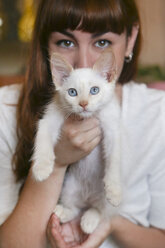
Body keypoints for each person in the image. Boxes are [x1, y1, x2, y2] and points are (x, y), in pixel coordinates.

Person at [0, 0, 165, 247]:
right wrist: (57, 163)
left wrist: (112, 224)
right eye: (65, 42)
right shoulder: (6, 107)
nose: (84, 64)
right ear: (46, 44)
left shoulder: (158, 112)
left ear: (130, 39)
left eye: (102, 42)